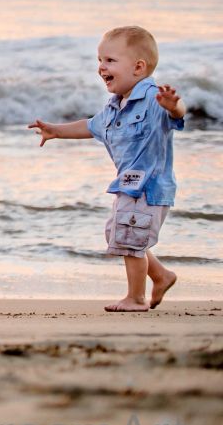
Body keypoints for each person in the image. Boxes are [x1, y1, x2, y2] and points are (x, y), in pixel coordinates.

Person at [30, 26, 185, 313]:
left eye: (110, 61)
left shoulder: (154, 98)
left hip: (149, 186)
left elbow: (176, 113)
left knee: (130, 240)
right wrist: (55, 130)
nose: (101, 67)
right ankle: (161, 275)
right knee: (119, 232)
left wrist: (174, 107)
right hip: (127, 184)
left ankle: (136, 298)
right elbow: (90, 125)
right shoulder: (114, 107)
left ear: (138, 67)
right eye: (99, 60)